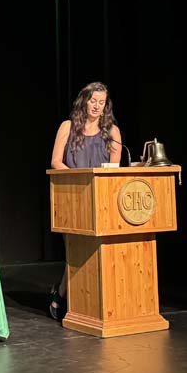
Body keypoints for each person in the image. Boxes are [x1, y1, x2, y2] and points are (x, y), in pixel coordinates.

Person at [48, 82, 123, 318]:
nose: (97, 106)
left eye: (101, 103)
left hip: (102, 199)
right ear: (84, 101)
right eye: (93, 101)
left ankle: (74, 298)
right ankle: (62, 293)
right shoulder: (67, 127)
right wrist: (81, 178)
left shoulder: (112, 131)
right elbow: (56, 161)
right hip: (73, 197)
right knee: (75, 251)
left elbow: (114, 169)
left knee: (95, 253)